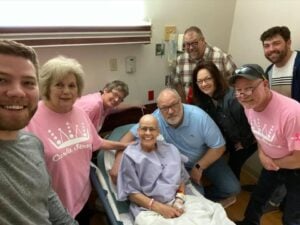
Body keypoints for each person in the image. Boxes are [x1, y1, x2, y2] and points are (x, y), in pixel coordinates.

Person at [26, 56, 128, 224]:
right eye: (59, 84)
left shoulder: (79, 113)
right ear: (47, 87)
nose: (66, 91)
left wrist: (123, 145)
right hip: (51, 209)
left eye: (71, 85)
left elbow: (97, 142)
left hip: (82, 197)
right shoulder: (30, 119)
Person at [112, 88, 241, 208]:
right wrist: (117, 164)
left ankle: (209, 198)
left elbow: (219, 147)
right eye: (165, 108)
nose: (170, 111)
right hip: (180, 164)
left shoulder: (199, 117)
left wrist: (199, 167)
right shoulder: (157, 118)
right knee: (196, 197)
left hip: (207, 158)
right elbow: (129, 136)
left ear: (181, 102)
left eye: (173, 104)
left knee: (232, 188)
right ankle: (203, 198)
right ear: (159, 109)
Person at [0, 40, 77, 224]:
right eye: (1, 80)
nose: (17, 92)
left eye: (28, 82)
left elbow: (47, 197)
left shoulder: (32, 143)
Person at [117, 114, 235, 225]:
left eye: (152, 129)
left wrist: (179, 200)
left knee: (213, 214)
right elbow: (132, 194)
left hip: (177, 200)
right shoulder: (130, 156)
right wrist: (160, 208)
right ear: (138, 131)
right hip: (148, 207)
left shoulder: (171, 150)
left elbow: (181, 179)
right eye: (143, 129)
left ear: (158, 131)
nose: (147, 133)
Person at [229, 64, 300, 225]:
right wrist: (262, 153)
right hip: (271, 161)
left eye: (248, 88)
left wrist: (274, 162)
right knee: (258, 198)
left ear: (265, 84)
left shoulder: (292, 113)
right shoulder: (249, 106)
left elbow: (299, 158)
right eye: (238, 90)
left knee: (293, 214)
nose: (243, 95)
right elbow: (259, 131)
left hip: (295, 167)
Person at [191, 61, 257, 180]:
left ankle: (231, 195)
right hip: (230, 139)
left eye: (207, 79)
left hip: (246, 141)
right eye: (200, 81)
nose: (204, 84)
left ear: (216, 78)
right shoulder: (206, 100)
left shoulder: (233, 100)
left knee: (233, 168)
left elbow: (253, 125)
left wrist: (245, 143)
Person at [260, 26, 300, 209]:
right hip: (279, 133)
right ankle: (274, 200)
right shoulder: (269, 71)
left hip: (297, 132)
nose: (271, 49)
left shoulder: (298, 63)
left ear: (289, 42)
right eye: (266, 45)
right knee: (274, 170)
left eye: (276, 43)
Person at [176, 26, 237, 103]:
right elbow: (178, 86)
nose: (191, 48)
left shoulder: (222, 57)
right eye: (187, 44)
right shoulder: (180, 60)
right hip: (192, 106)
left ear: (203, 40)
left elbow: (236, 84)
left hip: (218, 107)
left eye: (195, 43)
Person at [75, 80, 141, 132]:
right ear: (106, 90)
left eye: (120, 99)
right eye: (115, 94)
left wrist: (133, 105)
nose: (116, 99)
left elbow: (116, 108)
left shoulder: (105, 104)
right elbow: (79, 132)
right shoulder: (94, 104)